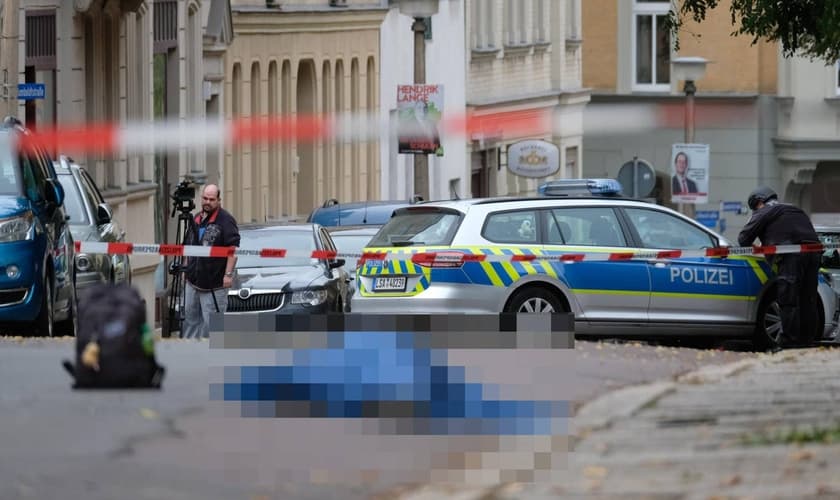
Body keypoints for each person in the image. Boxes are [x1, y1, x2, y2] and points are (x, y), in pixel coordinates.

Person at [738, 187, 821, 348]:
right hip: (814, 254)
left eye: (755, 207)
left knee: (788, 300)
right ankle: (807, 343)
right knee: (808, 300)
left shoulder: (765, 211)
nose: (755, 211)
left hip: (791, 257)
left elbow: (743, 238)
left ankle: (788, 344)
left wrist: (758, 248)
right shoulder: (795, 209)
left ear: (760, 202)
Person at [182, 184, 240, 339]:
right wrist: (186, 268)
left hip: (214, 285)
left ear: (219, 200)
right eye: (205, 198)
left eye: (212, 199)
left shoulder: (226, 220)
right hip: (192, 282)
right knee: (190, 322)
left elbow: (233, 249)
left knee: (212, 326)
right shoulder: (196, 218)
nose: (207, 202)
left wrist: (228, 274)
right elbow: (188, 246)